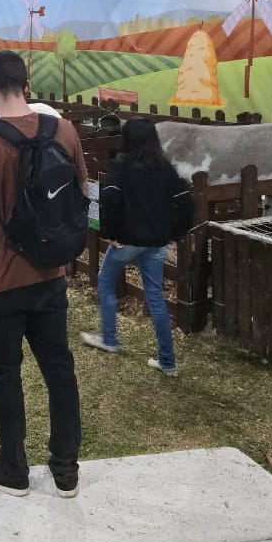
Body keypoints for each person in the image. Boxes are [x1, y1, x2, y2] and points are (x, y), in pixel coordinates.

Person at [0, 50, 85, 499]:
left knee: (4, 374)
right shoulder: (63, 130)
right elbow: (79, 194)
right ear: (27, 85)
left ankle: (13, 468)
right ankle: (66, 470)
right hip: (50, 275)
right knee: (59, 369)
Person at [82, 118, 193, 376]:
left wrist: (110, 233)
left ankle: (109, 338)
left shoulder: (120, 166)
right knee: (155, 297)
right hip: (156, 243)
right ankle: (168, 362)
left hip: (127, 242)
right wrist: (175, 234)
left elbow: (109, 197)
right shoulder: (164, 168)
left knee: (105, 280)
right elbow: (186, 201)